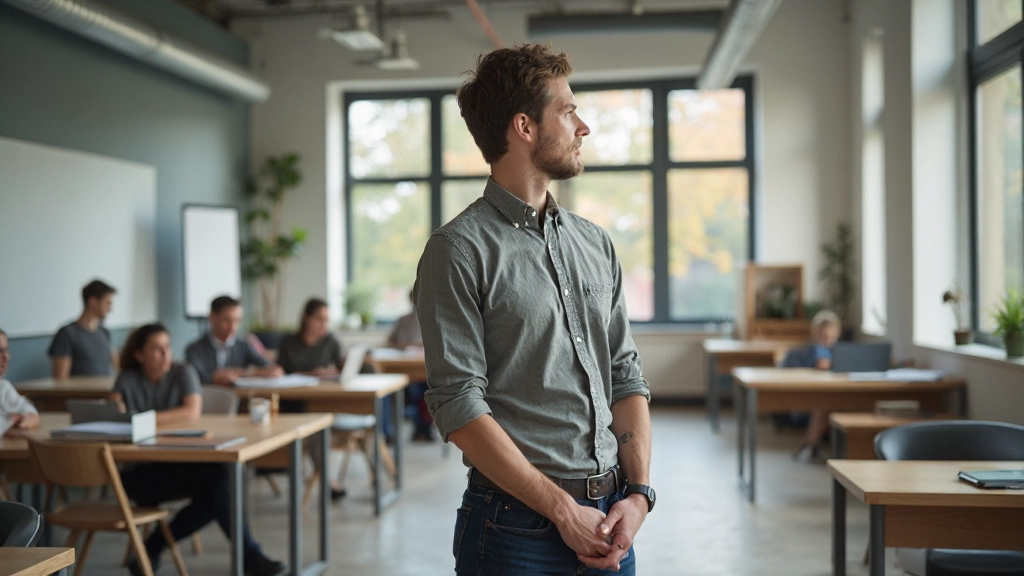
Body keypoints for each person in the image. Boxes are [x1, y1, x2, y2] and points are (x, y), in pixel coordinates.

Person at [414, 44, 654, 575]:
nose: (582, 126)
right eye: (568, 111)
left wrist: (637, 496)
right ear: (524, 126)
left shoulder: (595, 243)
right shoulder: (457, 251)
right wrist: (564, 512)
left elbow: (625, 375)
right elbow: (457, 405)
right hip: (513, 528)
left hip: (613, 519)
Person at [111, 324, 286, 576]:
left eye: (167, 347)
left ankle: (153, 546)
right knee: (219, 485)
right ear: (139, 355)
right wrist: (121, 412)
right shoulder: (127, 378)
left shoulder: (183, 372)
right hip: (140, 473)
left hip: (182, 464)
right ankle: (249, 555)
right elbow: (113, 415)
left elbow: (190, 410)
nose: (165, 354)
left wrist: (141, 420)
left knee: (218, 481)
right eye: (157, 349)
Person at [277, 298, 348, 501]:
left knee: (320, 424)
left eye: (326, 319)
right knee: (317, 427)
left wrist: (332, 371)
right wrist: (311, 374)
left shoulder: (330, 341)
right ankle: (329, 482)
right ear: (306, 318)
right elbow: (280, 373)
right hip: (293, 402)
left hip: (323, 401)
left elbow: (341, 366)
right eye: (319, 319)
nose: (323, 324)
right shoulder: (289, 342)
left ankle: (327, 481)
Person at [781, 310, 843, 462]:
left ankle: (811, 443)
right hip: (804, 405)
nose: (827, 340)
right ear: (814, 333)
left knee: (834, 402)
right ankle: (812, 443)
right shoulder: (803, 353)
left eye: (830, 337)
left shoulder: (842, 353)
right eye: (823, 336)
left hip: (836, 398)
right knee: (824, 403)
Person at [185, 296, 283, 385]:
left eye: (237, 321)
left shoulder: (243, 345)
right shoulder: (194, 349)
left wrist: (241, 372)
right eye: (227, 320)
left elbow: (271, 368)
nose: (232, 327)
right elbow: (200, 377)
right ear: (212, 317)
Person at [48, 279, 117, 378]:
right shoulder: (67, 334)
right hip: (83, 392)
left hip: (107, 390)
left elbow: (116, 366)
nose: (110, 309)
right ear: (93, 301)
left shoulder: (104, 333)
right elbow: (60, 379)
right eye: (107, 303)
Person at [387, 292, 433, 441]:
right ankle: (392, 431)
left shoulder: (433, 318)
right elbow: (391, 342)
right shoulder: (402, 320)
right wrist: (403, 345)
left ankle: (423, 429)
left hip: (427, 374)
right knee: (408, 391)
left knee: (424, 391)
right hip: (403, 372)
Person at [0, 329, 41, 436]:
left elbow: (31, 413)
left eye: (6, 350)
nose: (6, 357)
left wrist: (19, 423)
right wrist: (10, 420)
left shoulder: (3, 386)